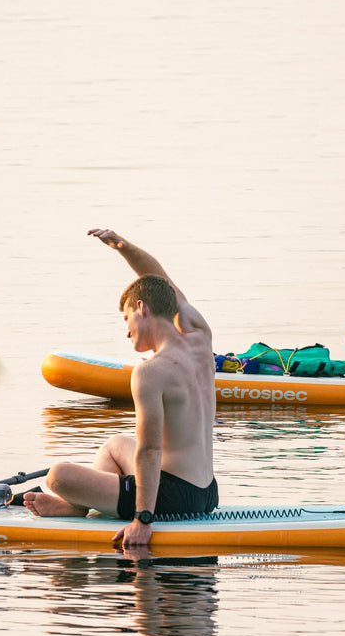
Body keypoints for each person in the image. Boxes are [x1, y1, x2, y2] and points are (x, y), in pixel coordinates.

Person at [24, 230, 218, 551]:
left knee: (58, 477)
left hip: (170, 499)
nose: (126, 331)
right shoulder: (200, 335)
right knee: (114, 445)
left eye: (126, 318)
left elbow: (150, 451)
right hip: (207, 491)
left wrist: (143, 519)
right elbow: (160, 280)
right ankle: (80, 505)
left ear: (141, 308)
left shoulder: (150, 372)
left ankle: (77, 502)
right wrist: (123, 249)